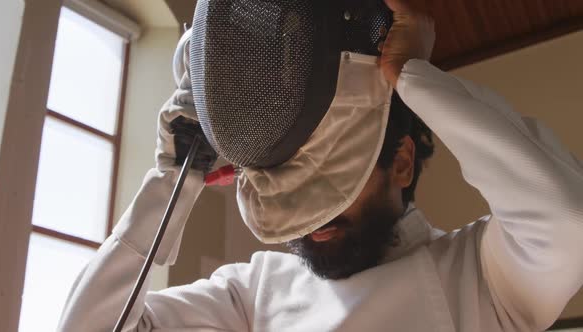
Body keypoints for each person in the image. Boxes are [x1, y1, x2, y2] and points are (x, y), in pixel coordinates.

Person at [58, 0, 583, 331]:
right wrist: (177, 172)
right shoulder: (254, 292)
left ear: (400, 163)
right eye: (286, 181)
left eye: (330, 177)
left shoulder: (484, 279)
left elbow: (566, 220)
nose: (309, 216)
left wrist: (414, 77)